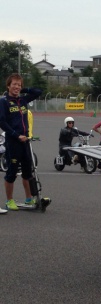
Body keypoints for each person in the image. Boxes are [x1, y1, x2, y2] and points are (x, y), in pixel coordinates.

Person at [0, 73, 42, 211]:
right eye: (14, 84)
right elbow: (2, 122)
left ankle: (29, 198)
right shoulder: (4, 101)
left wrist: (23, 90)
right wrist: (16, 135)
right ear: (8, 85)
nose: (17, 87)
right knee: (12, 172)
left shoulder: (23, 101)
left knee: (27, 172)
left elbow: (38, 92)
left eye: (19, 85)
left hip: (26, 141)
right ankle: (9, 201)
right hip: (13, 141)